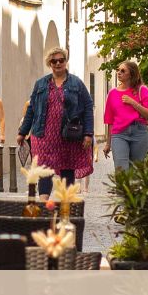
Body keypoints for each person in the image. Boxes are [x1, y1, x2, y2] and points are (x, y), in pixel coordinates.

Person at [15, 48, 94, 195]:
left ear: (65, 61)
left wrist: (88, 133)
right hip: (43, 134)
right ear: (49, 63)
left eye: (61, 60)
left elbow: (88, 106)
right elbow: (31, 109)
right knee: (45, 169)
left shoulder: (76, 83)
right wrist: (23, 132)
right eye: (54, 61)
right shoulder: (41, 84)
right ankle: (44, 205)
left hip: (68, 135)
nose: (58, 63)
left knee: (67, 168)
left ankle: (67, 204)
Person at [102, 59, 148, 165]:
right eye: (118, 70)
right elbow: (110, 120)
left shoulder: (142, 90)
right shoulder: (112, 93)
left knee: (135, 172)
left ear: (131, 74)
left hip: (139, 132)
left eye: (123, 71)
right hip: (119, 134)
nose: (119, 73)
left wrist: (133, 103)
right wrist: (108, 143)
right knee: (121, 171)